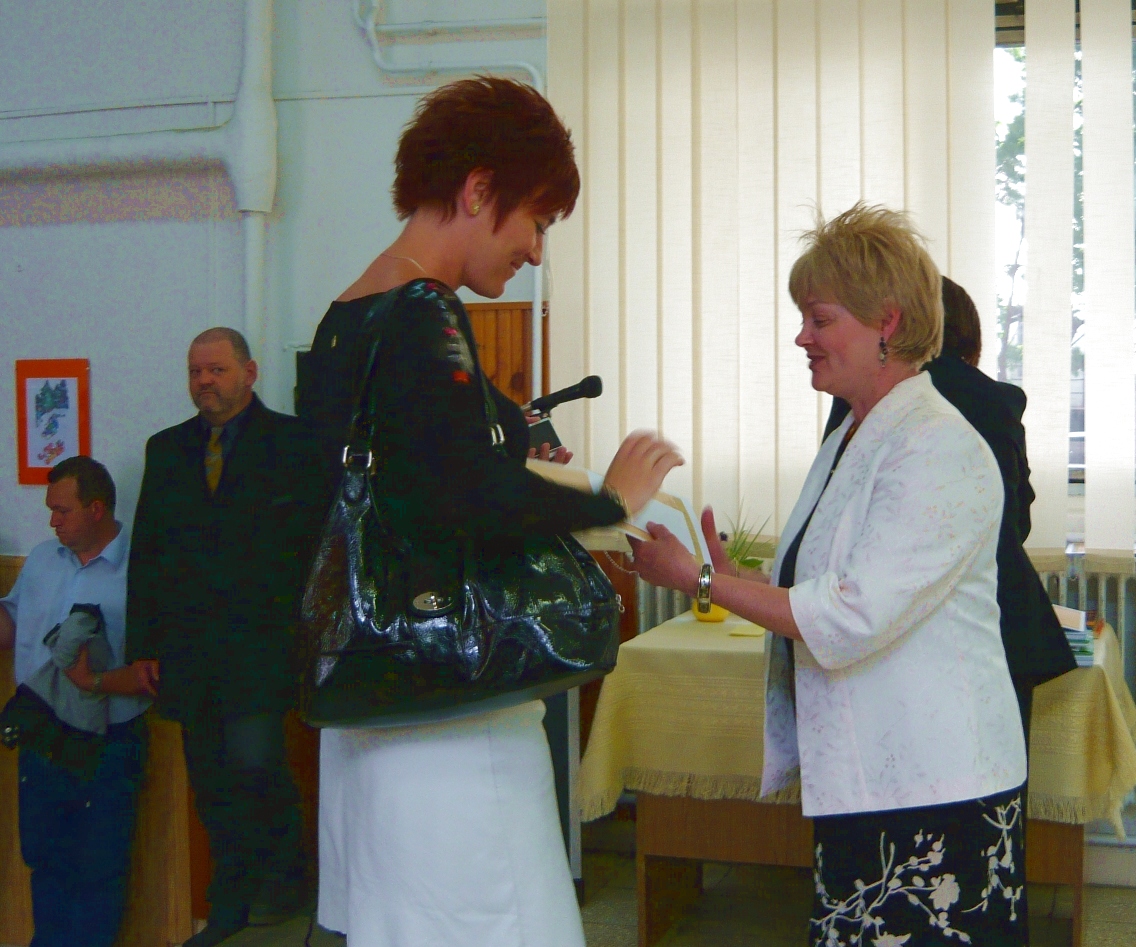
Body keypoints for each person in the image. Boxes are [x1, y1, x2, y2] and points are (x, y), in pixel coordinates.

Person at [312, 76, 681, 946]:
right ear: (479, 190)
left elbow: (408, 480)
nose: (538, 252)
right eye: (538, 221)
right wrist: (609, 499)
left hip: (374, 702)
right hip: (451, 707)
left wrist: (503, 448)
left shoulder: (346, 317)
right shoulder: (424, 313)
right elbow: (464, 495)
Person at [631, 203, 1029, 946]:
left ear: (887, 321)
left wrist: (700, 583)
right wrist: (735, 577)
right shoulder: (854, 431)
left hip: (935, 785)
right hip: (873, 776)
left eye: (819, 319)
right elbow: (832, 580)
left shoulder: (937, 445)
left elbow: (850, 613)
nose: (801, 337)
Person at [126, 328, 330, 946]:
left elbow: (319, 549)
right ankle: (230, 903)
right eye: (195, 371)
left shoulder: (295, 443)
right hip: (188, 651)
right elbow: (148, 554)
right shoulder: (167, 450)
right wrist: (142, 647)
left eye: (216, 369)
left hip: (263, 648)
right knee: (211, 781)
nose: (204, 382)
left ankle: (287, 886)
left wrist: (315, 638)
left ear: (250, 372)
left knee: (257, 766)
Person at [824, 277, 1076, 740]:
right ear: (970, 338)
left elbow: (834, 515)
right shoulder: (993, 400)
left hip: (882, 626)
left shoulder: (861, 395)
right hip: (988, 628)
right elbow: (1015, 520)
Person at [0, 456, 155, 947]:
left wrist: (94, 681)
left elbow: (160, 671)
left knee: (99, 869)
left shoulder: (144, 568)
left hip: (109, 740)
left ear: (96, 509)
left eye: (61, 510)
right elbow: (10, 627)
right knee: (44, 859)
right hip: (40, 732)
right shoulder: (42, 559)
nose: (52, 521)